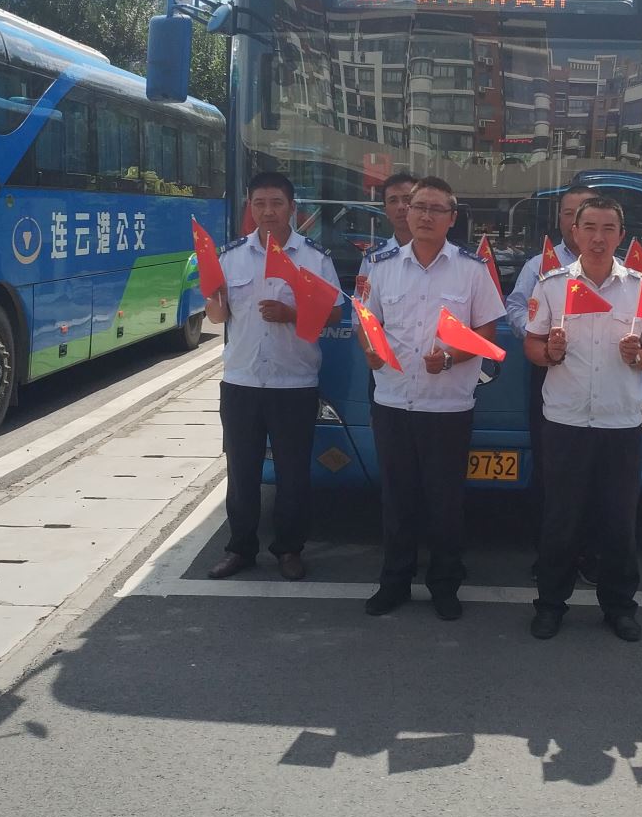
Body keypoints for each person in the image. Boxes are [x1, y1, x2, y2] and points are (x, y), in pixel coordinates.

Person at [524, 195, 642, 643]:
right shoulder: (551, 284)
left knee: (619, 522)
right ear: (574, 232)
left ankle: (620, 607)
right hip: (565, 420)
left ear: (621, 236)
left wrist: (638, 355)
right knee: (560, 519)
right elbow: (532, 345)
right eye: (589, 227)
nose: (598, 237)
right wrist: (548, 353)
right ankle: (550, 605)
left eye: (608, 228)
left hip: (618, 422)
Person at [356, 176, 505, 621]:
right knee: (397, 500)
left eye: (435, 209)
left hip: (447, 407)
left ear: (451, 218)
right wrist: (370, 349)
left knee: (445, 502)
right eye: (417, 206)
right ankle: (394, 582)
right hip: (393, 401)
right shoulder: (381, 266)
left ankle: (444, 584)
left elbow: (487, 333)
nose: (423, 215)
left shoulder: (472, 270)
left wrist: (454, 357)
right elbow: (366, 321)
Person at [203, 172, 342, 582]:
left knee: (293, 474)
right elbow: (217, 316)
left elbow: (335, 313)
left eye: (277, 203)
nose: (268, 211)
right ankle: (240, 548)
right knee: (241, 472)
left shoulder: (314, 258)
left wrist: (292, 314)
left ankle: (289, 549)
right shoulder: (230, 257)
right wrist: (215, 304)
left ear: (292, 208)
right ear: (250, 207)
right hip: (241, 382)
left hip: (293, 383)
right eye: (260, 203)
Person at [505, 184, 591, 577]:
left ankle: (590, 553)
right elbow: (515, 305)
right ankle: (550, 553)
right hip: (549, 370)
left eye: (583, 213)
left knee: (596, 470)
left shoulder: (621, 269)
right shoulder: (540, 265)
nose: (576, 222)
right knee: (550, 466)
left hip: (602, 378)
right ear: (560, 219)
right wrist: (536, 333)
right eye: (569, 213)